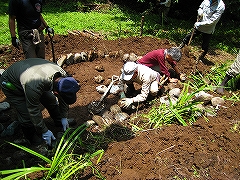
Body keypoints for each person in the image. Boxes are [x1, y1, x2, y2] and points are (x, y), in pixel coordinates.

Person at [0, 58, 80, 146]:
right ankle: (31, 137)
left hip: (33, 74)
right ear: (56, 92)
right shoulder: (34, 85)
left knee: (50, 100)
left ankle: (58, 120)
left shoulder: (63, 76)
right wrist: (44, 130)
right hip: (12, 83)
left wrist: (64, 117)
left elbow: (63, 98)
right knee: (26, 114)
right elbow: (33, 109)